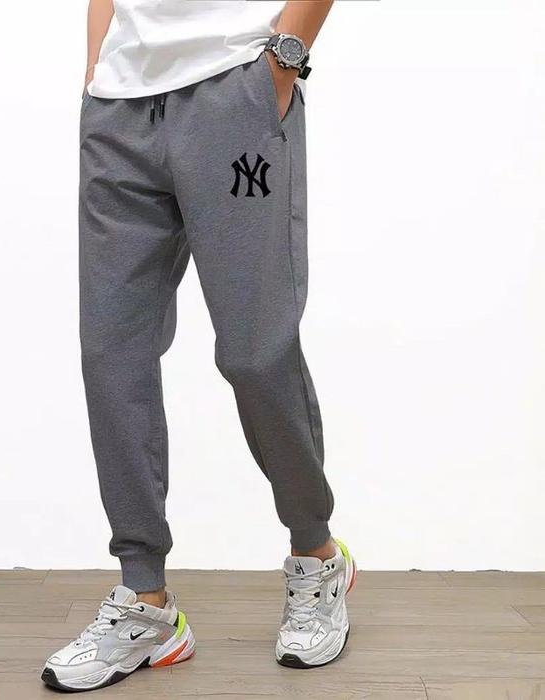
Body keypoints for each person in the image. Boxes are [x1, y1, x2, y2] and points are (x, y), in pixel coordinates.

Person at [41, 0, 356, 692]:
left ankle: (317, 553)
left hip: (235, 97)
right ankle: (145, 599)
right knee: (111, 354)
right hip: (118, 111)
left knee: (255, 351)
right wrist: (97, 69)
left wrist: (281, 63)